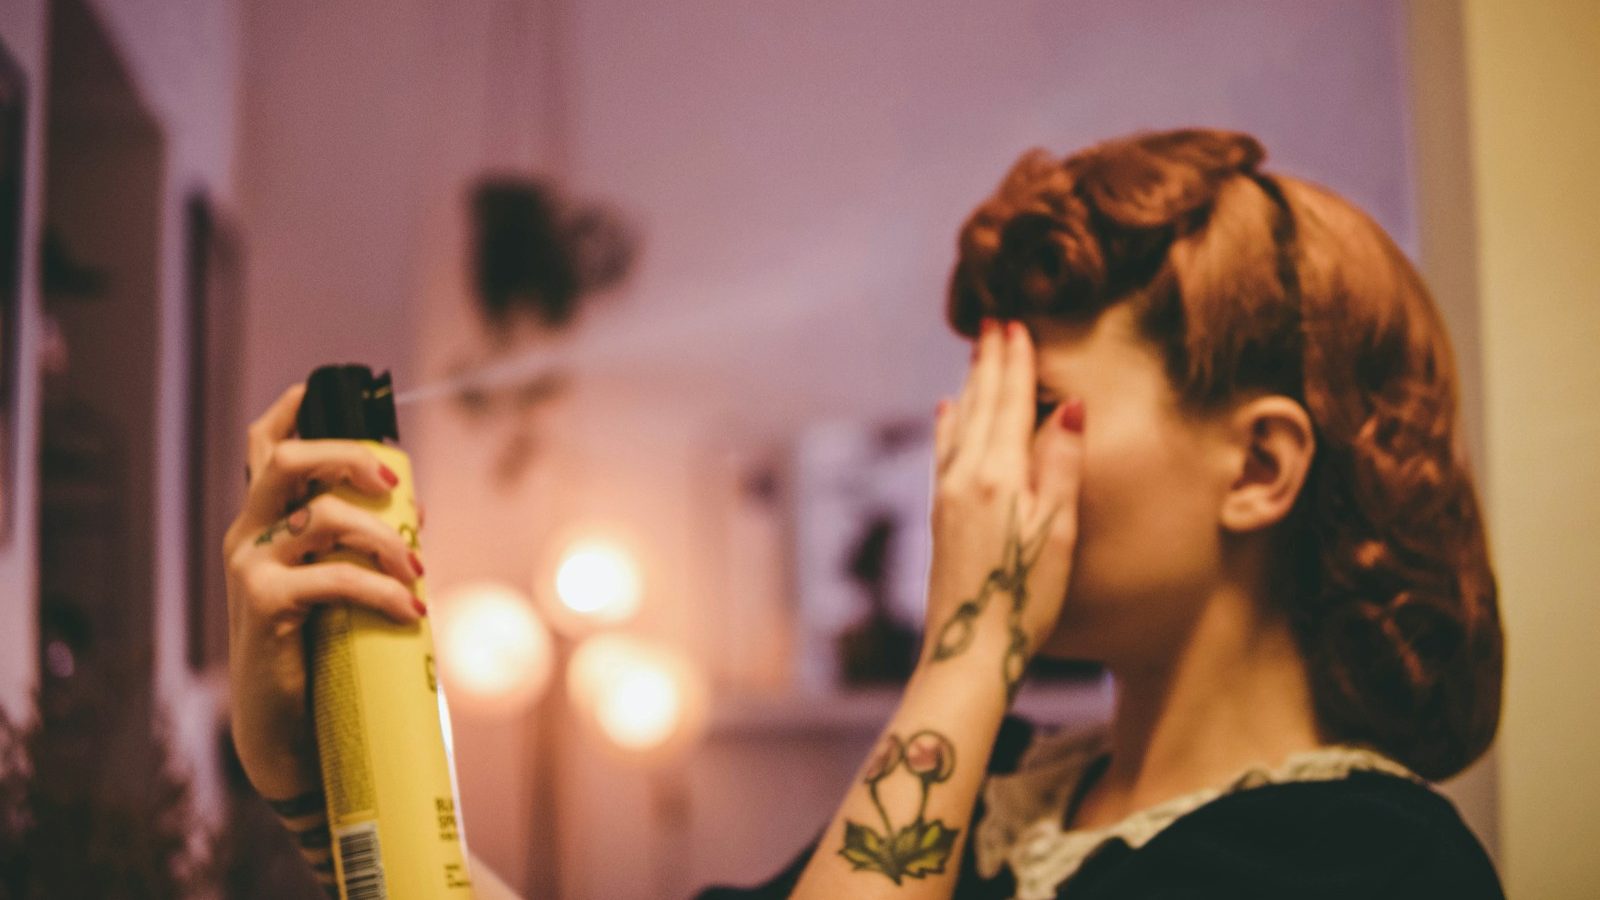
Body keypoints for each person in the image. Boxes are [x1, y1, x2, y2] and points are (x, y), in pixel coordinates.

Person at [224, 127, 1505, 898]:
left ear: (1260, 470)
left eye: (1034, 407)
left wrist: (970, 648)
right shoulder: (998, 789)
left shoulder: (1372, 864)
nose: (964, 460)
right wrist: (321, 784)